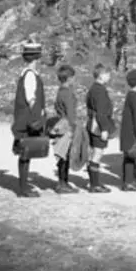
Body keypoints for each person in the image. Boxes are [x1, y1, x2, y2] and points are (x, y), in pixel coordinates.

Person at [10, 40, 46, 198]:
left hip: (25, 119)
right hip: (27, 120)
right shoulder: (30, 76)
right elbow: (31, 99)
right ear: (37, 58)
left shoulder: (27, 74)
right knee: (26, 152)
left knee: (26, 152)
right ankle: (23, 188)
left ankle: (23, 186)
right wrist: (37, 119)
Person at [85, 63, 116, 193]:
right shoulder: (100, 91)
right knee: (97, 154)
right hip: (97, 125)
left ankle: (95, 182)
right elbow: (101, 112)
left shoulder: (94, 88)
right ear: (101, 75)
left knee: (94, 153)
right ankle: (94, 184)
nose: (109, 76)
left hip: (92, 122)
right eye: (107, 74)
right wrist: (104, 129)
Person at [53, 64, 79, 194]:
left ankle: (62, 182)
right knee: (65, 154)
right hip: (66, 126)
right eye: (73, 77)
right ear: (69, 78)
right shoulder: (67, 93)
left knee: (62, 153)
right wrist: (73, 128)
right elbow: (70, 113)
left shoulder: (60, 91)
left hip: (60, 124)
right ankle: (63, 183)